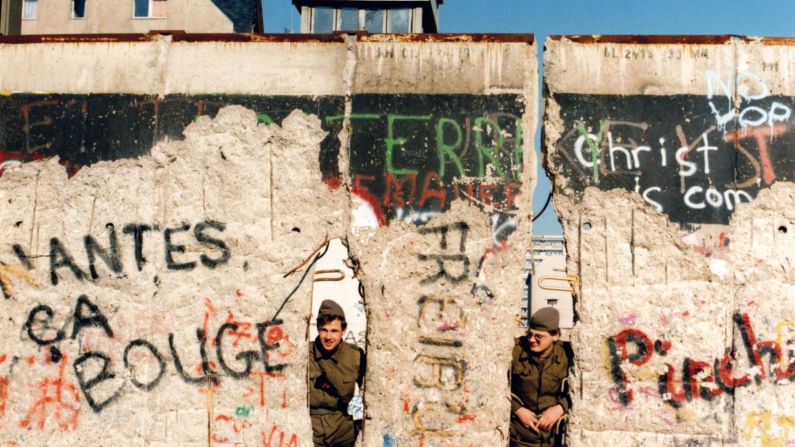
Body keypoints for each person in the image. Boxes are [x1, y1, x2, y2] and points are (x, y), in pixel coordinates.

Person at [510, 307, 571, 447]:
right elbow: (497, 385)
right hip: (520, 436)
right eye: (529, 334)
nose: (532, 340)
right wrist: (518, 410)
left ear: (556, 335)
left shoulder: (568, 354)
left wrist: (560, 408)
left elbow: (581, 389)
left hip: (554, 437)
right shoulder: (516, 351)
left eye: (539, 336)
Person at [308, 299, 365, 447]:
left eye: (334, 331)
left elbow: (370, 391)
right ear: (318, 329)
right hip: (311, 429)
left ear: (343, 331)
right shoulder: (305, 354)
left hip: (342, 430)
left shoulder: (355, 356)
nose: (328, 337)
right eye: (324, 330)